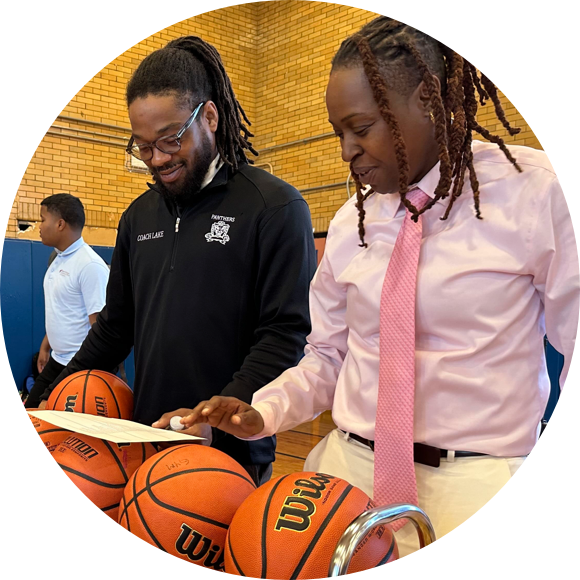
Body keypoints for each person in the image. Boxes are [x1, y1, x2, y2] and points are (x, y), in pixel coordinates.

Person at [158, 16, 580, 572]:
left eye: (361, 127)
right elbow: (328, 358)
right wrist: (261, 412)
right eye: (338, 132)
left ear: (430, 102)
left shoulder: (538, 194)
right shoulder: (353, 223)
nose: (346, 151)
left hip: (479, 488)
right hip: (345, 478)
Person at [39, 36, 316, 487]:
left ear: (209, 116)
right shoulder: (138, 216)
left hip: (230, 452)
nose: (158, 159)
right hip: (144, 439)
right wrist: (58, 394)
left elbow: (285, 335)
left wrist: (216, 412)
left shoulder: (274, 207)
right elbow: (115, 326)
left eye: (170, 140)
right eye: (144, 147)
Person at [25, 194, 109, 410]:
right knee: (30, 412)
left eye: (43, 219)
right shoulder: (57, 259)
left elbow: (100, 331)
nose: (39, 226)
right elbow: (64, 310)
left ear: (60, 224)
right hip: (58, 359)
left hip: (80, 367)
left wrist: (75, 380)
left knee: (43, 421)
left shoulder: (90, 266)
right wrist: (46, 345)